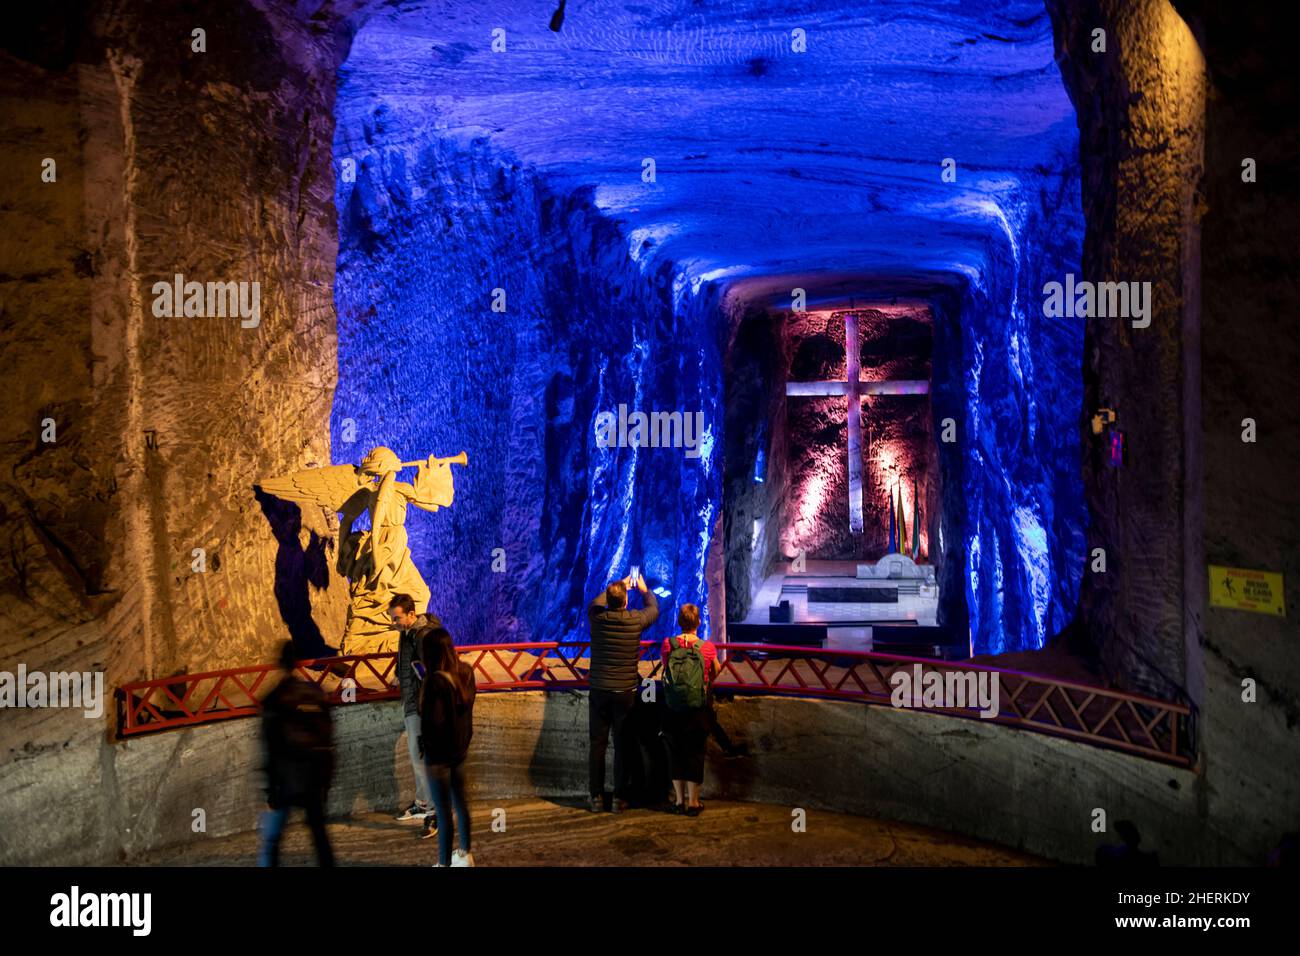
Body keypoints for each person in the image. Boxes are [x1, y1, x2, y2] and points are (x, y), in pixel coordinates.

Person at [258, 640, 335, 866]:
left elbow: (270, 747)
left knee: (272, 841)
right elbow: (329, 741)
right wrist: (326, 781)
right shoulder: (317, 694)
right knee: (320, 838)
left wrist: (270, 791)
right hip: (314, 776)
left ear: (279, 663)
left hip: (285, 779)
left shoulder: (273, 699)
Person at [587, 572, 659, 813]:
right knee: (622, 744)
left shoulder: (597, 617)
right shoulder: (634, 620)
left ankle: (596, 797)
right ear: (626, 602)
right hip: (625, 692)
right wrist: (642, 588)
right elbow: (653, 609)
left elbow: (594, 603)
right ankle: (619, 797)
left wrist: (617, 586)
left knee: (597, 744)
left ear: (609, 601)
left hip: (599, 690)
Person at [419, 627, 476, 867]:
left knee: (443, 813)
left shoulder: (434, 682)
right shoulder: (467, 672)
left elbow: (435, 722)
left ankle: (443, 864)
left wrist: (426, 747)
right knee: (461, 805)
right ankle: (465, 854)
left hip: (439, 758)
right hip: (460, 752)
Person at [388, 594, 442, 828]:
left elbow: (433, 671)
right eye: (392, 618)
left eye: (397, 618)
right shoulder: (408, 633)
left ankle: (434, 810)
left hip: (422, 707)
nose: (394, 622)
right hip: (413, 703)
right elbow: (410, 664)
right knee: (418, 757)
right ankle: (424, 803)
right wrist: (399, 676)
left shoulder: (423, 636)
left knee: (422, 758)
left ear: (411, 614)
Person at [660, 604, 717, 817]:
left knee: (675, 751)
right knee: (695, 752)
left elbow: (666, 669)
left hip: (672, 707)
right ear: (699, 623)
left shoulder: (668, 644)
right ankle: (694, 802)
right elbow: (715, 671)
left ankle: (678, 800)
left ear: (678, 621)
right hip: (697, 708)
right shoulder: (707, 647)